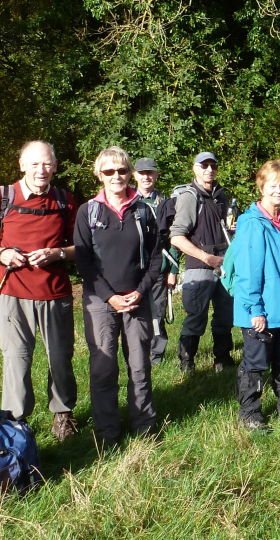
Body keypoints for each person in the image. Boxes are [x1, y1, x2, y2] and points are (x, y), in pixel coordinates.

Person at [75, 146, 162, 448]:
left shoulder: (144, 210)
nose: (116, 176)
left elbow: (155, 258)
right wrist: (110, 297)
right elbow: (85, 263)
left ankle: (144, 427)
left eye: (122, 171)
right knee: (103, 367)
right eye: (109, 171)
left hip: (137, 299)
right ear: (99, 174)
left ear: (130, 173)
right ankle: (107, 434)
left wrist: (141, 290)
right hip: (101, 301)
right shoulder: (88, 212)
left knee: (139, 365)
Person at [0, 141, 79, 440]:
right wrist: (2, 254)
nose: (41, 170)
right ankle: (15, 425)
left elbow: (81, 247)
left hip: (55, 293)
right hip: (12, 294)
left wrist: (57, 254)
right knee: (16, 360)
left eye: (46, 164)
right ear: (21, 165)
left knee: (60, 358)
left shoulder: (65, 200)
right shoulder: (4, 196)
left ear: (55, 167)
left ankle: (63, 415)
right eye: (34, 164)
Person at [232, 159, 280, 429]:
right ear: (261, 186)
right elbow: (247, 270)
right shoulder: (252, 223)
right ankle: (250, 413)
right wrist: (255, 309)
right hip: (263, 309)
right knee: (256, 362)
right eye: (272, 185)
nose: (279, 190)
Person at [169, 151, 235, 373]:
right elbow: (177, 237)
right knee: (196, 315)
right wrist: (207, 258)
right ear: (195, 169)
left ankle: (223, 360)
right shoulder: (189, 196)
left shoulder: (221, 195)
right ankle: (186, 363)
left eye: (213, 166)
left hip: (225, 264)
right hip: (200, 265)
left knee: (226, 314)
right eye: (204, 165)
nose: (209, 170)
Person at [132, 158, 177, 365]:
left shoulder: (167, 203)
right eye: (142, 173)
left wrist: (173, 269)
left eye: (150, 172)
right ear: (135, 176)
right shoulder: (128, 200)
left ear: (156, 175)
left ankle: (157, 354)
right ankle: (134, 352)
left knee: (157, 310)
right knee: (133, 310)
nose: (146, 177)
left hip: (159, 266)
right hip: (132, 267)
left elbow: (175, 238)